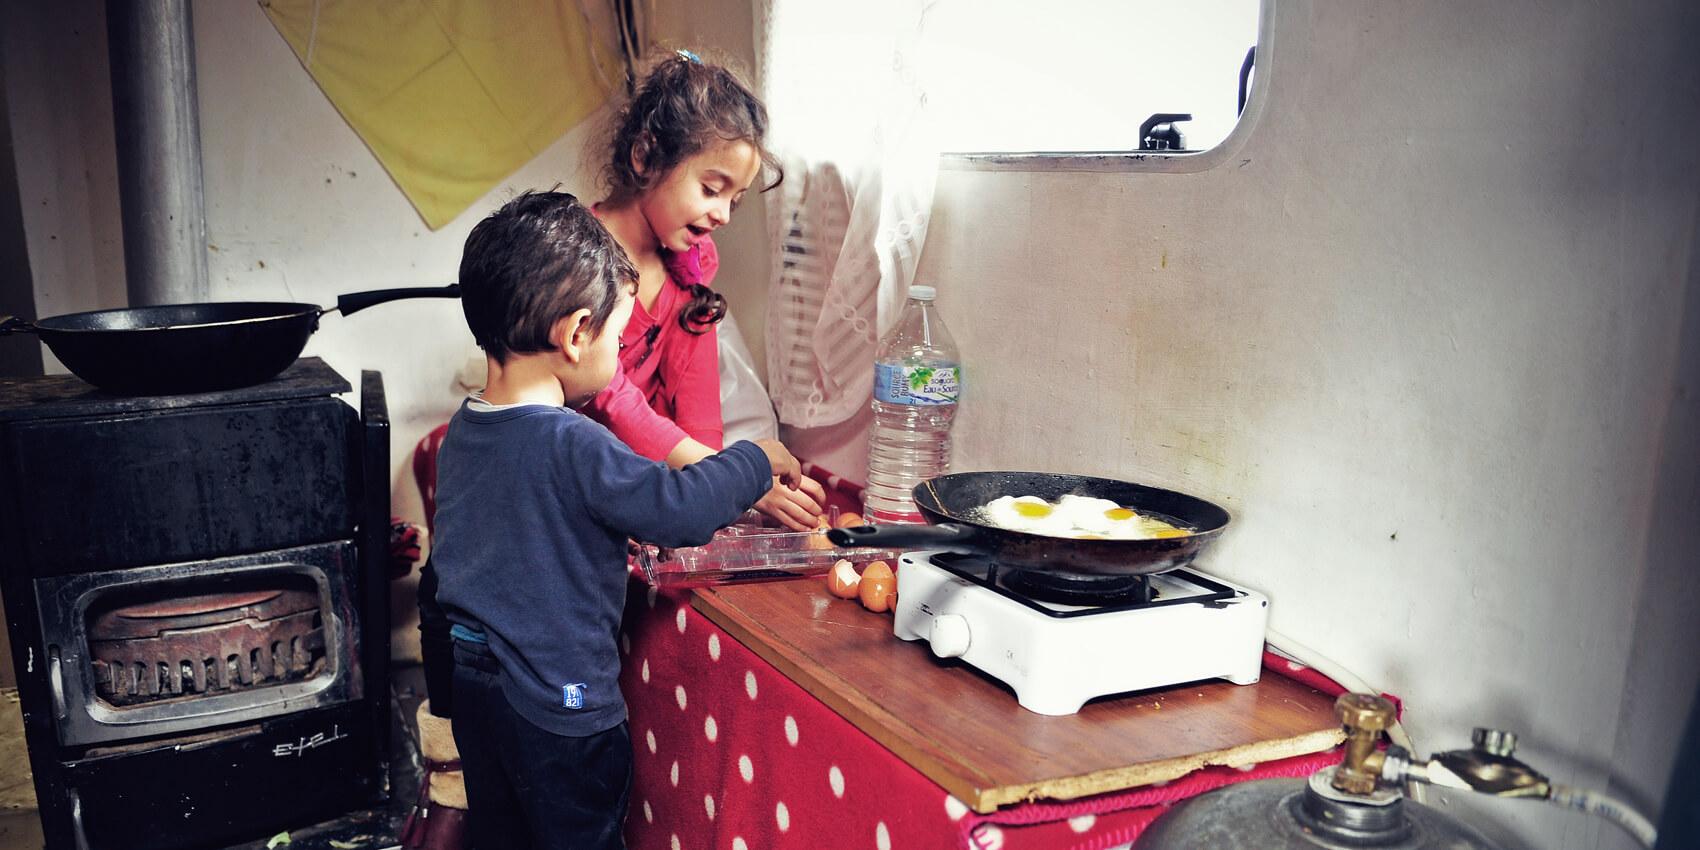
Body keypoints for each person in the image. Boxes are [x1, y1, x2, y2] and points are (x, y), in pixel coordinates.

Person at [429, 190, 800, 849]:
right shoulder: (574, 441)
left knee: (503, 838)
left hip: (479, 696)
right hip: (560, 710)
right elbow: (679, 510)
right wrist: (753, 460)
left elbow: (509, 535)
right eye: (620, 335)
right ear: (575, 335)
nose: (621, 350)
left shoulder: (465, 431)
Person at [584, 48, 827, 530]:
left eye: (734, 200)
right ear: (645, 156)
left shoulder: (690, 272)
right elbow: (612, 402)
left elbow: (699, 414)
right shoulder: (576, 259)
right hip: (581, 487)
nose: (723, 215)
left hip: (652, 489)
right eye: (711, 189)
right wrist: (737, 476)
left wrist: (736, 487)